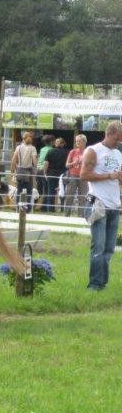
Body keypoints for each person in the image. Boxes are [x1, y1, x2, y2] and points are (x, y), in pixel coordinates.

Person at [79, 121, 122, 291]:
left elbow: (117, 178)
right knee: (98, 246)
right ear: (108, 134)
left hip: (114, 206)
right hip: (98, 203)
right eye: (117, 139)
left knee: (109, 248)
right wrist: (110, 175)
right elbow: (84, 175)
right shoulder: (93, 151)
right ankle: (94, 284)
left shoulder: (118, 153)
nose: (119, 142)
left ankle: (102, 283)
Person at [10, 131, 38, 213]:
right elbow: (34, 161)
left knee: (19, 190)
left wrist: (14, 170)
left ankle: (18, 208)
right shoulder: (32, 148)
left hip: (20, 170)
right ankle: (27, 209)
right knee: (29, 191)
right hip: (29, 171)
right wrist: (35, 170)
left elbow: (14, 160)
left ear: (23, 139)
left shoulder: (18, 147)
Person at [64, 134, 88, 217]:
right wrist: (74, 163)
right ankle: (66, 215)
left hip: (83, 176)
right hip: (73, 175)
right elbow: (67, 165)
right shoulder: (73, 151)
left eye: (79, 141)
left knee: (82, 197)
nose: (77, 143)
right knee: (69, 195)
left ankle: (81, 216)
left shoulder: (88, 152)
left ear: (84, 142)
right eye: (76, 141)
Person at [44, 137, 68, 212]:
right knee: (62, 191)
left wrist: (45, 172)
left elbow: (46, 163)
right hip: (62, 175)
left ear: (56, 144)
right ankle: (62, 209)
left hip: (51, 173)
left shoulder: (50, 151)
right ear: (63, 144)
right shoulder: (67, 152)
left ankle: (50, 209)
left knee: (50, 192)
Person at [36, 134, 54, 212]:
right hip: (45, 171)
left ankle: (34, 204)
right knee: (46, 189)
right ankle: (44, 207)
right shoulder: (51, 150)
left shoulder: (42, 149)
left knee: (39, 190)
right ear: (51, 142)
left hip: (38, 170)